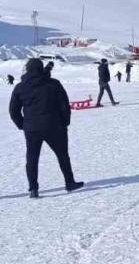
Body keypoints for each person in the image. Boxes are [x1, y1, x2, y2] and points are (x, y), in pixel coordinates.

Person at [8, 58, 84, 198]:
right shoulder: (53, 84)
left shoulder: (20, 87)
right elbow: (64, 105)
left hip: (31, 128)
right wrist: (65, 122)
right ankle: (69, 182)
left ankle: (33, 189)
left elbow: (13, 110)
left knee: (32, 158)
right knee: (62, 155)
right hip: (54, 126)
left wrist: (23, 125)